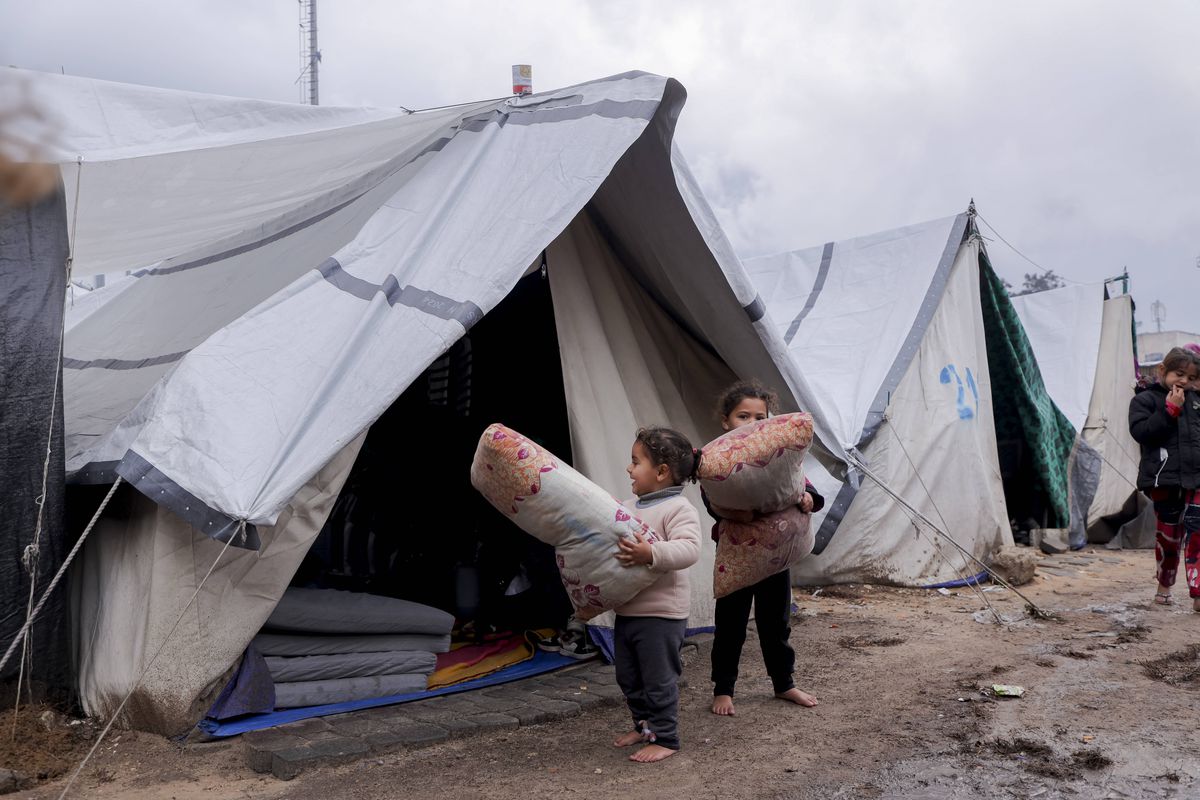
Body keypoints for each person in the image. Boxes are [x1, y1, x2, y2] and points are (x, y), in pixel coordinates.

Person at [706, 380, 822, 716]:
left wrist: (809, 499)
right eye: (743, 416)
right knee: (731, 624)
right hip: (738, 557)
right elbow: (711, 495)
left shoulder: (780, 455)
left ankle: (784, 683)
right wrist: (729, 511)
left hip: (776, 556)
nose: (753, 422)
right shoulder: (719, 457)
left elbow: (801, 482)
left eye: (760, 415)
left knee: (776, 622)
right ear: (726, 422)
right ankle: (723, 688)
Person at [610, 427, 702, 763]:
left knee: (658, 681)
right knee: (628, 677)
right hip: (628, 610)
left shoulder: (678, 509)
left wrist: (651, 553)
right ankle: (644, 726)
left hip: (661, 615)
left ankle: (666, 738)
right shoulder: (626, 506)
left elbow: (689, 549)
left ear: (661, 472)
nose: (629, 469)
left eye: (635, 462)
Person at [1128, 347, 1200, 611]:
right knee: (1169, 539)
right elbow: (1142, 433)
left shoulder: (1196, 402)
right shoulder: (1145, 400)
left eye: (1192, 377)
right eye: (1179, 374)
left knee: (1198, 536)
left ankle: (1198, 593)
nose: (1185, 381)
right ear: (1162, 371)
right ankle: (1164, 586)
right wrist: (1170, 410)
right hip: (1165, 483)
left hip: (1197, 481)